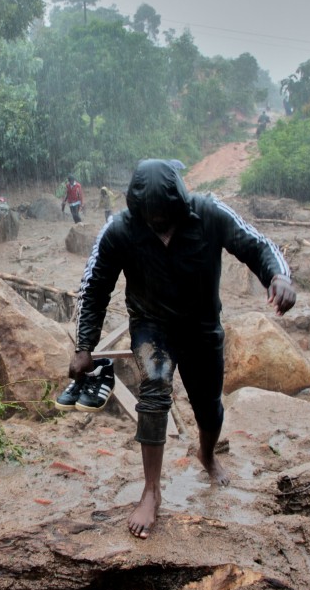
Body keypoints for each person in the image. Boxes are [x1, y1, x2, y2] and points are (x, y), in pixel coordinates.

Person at [68, 158, 296, 539]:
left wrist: (279, 276)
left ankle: (207, 455)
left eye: (167, 216)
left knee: (209, 407)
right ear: (137, 209)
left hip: (202, 326)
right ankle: (151, 491)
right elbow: (94, 288)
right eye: (151, 218)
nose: (159, 224)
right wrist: (84, 345)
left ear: (181, 203)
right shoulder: (120, 229)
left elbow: (256, 244)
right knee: (154, 389)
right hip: (150, 325)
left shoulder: (208, 213)